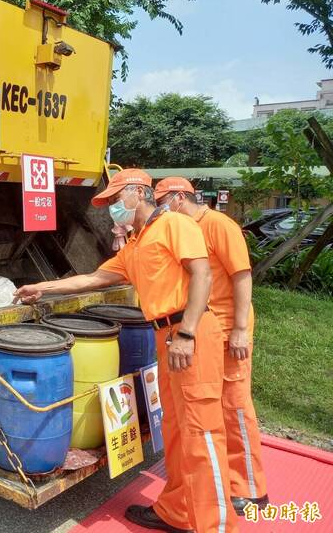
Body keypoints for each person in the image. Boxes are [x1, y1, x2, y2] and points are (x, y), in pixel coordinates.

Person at [15, 169, 237, 533]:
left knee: (202, 434)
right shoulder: (136, 244)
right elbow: (94, 279)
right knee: (178, 431)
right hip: (164, 338)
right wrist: (43, 287)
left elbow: (202, 275)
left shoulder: (174, 225)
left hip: (189, 335)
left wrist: (188, 332)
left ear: (138, 192)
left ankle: (217, 526)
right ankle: (177, 512)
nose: (112, 208)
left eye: (117, 200)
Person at [154, 177, 268, 515]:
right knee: (210, 410)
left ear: (178, 198)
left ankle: (249, 487)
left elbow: (242, 276)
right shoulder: (182, 228)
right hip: (204, 329)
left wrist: (240, 329)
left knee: (234, 406)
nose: (159, 210)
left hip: (228, 328)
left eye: (161, 201)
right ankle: (219, 484)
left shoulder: (218, 225)